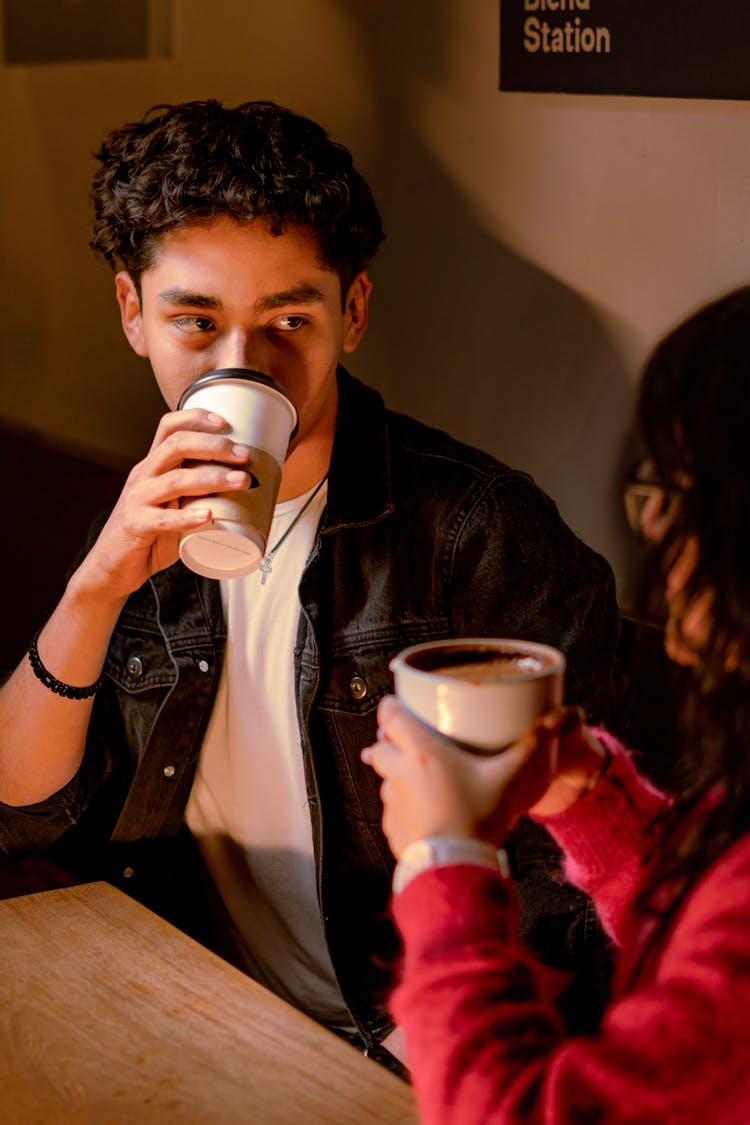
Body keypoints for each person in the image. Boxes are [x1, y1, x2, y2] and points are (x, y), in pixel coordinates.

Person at [0, 99, 630, 1068]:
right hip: (206, 1014)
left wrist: (389, 1076)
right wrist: (97, 582)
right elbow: (20, 807)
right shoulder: (142, 520)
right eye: (194, 320)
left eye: (288, 319)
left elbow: (581, 888)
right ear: (133, 315)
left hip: (407, 1055)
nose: (241, 364)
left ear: (354, 313)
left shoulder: (477, 534)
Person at [363, 284, 750, 1116]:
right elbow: (702, 944)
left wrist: (445, 858)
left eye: (675, 498)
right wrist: (590, 799)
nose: (655, 536)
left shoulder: (482, 522)